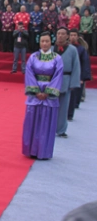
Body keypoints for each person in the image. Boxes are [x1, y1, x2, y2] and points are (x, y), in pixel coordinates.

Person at [22, 32, 63, 160]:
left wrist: (47, 92)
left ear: (51, 42)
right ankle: (31, 150)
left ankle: (43, 151)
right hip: (35, 93)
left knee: (46, 122)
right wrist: (36, 92)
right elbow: (29, 73)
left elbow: (58, 75)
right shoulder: (33, 57)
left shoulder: (57, 58)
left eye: (47, 41)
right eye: (42, 41)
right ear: (39, 42)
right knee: (32, 121)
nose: (44, 44)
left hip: (49, 94)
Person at [53, 27, 81, 138]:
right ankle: (49, 127)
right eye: (58, 33)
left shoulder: (72, 50)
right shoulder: (51, 48)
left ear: (67, 36)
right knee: (50, 106)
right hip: (52, 81)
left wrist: (73, 83)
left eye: (63, 34)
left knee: (63, 107)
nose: (60, 36)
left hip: (66, 79)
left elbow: (76, 67)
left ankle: (61, 129)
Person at [67, 29, 91, 121]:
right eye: (71, 35)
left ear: (77, 37)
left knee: (75, 95)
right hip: (67, 73)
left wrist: (83, 77)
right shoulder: (65, 47)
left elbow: (85, 63)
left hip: (78, 73)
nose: (73, 37)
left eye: (74, 35)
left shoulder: (81, 49)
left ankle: (70, 113)